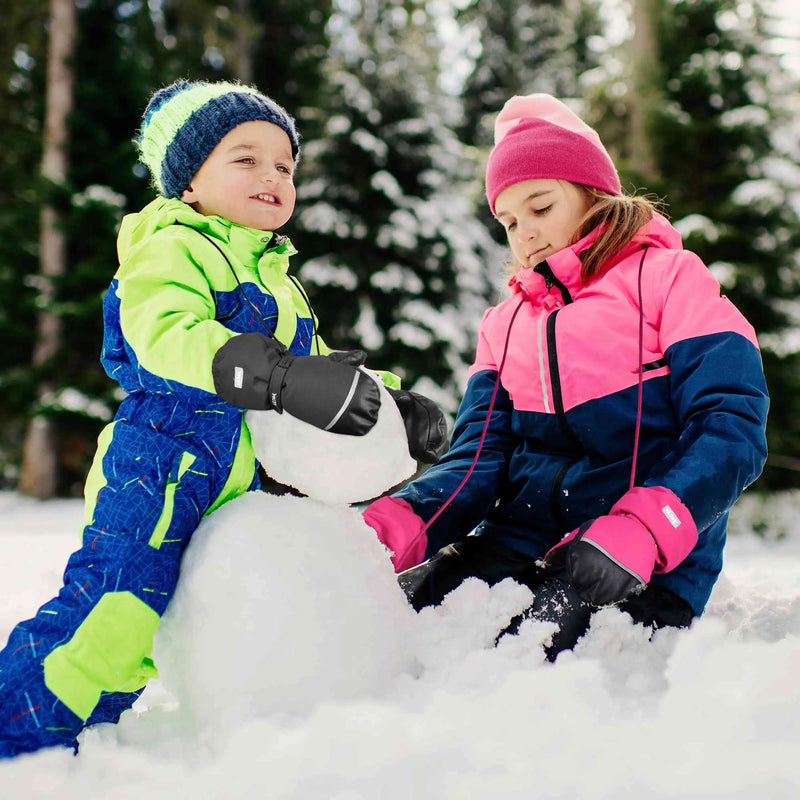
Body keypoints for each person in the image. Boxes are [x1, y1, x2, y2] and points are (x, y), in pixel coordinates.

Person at [0, 79, 446, 759]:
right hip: (162, 458)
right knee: (117, 604)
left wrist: (391, 402)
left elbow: (316, 359)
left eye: (284, 165)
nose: (271, 175)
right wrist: (274, 374)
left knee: (193, 607)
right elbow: (164, 333)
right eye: (246, 158)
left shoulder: (276, 275)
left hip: (243, 475)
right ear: (188, 182)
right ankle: (23, 730)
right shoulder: (170, 246)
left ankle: (93, 732)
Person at [364, 93, 769, 659]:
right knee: (382, 625)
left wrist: (645, 529)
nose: (524, 234)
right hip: (515, 543)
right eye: (508, 222)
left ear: (593, 195)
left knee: (520, 664)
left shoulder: (671, 280)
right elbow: (475, 463)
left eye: (540, 207)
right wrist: (389, 526)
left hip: (642, 559)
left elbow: (730, 429)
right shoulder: (504, 324)